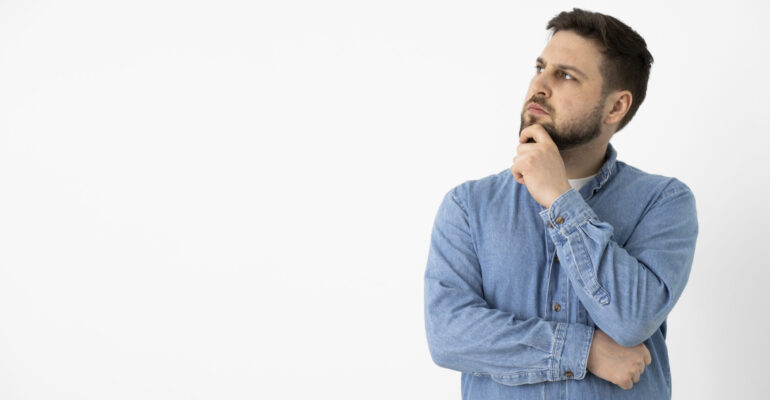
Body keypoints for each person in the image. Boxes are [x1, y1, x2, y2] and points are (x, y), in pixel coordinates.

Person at [423, 8, 698, 400]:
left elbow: (632, 319)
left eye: (565, 75)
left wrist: (558, 198)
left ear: (616, 107)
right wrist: (585, 351)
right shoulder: (469, 207)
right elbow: (448, 335)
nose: (539, 85)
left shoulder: (663, 202)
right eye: (540, 67)